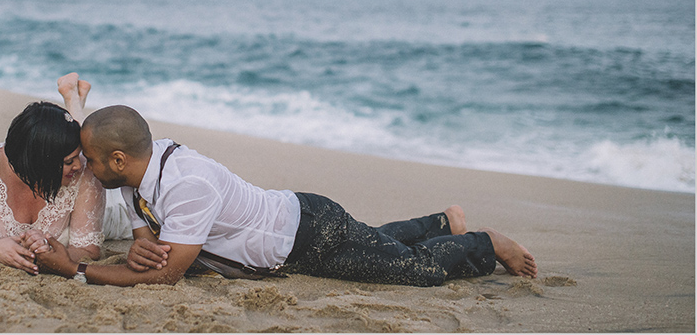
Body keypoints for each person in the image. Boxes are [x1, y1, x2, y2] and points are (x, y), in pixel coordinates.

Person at [27, 105, 537, 287]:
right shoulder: (144, 164)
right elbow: (142, 218)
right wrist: (141, 237)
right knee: (376, 243)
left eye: (91, 162)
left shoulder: (187, 185)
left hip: (311, 236)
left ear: (118, 160)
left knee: (414, 273)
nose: (87, 171)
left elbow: (165, 274)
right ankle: (443, 222)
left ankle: (486, 244)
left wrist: (72, 269)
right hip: (298, 222)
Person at [0, 74, 130, 274]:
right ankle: (73, 98)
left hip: (107, 210)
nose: (79, 166)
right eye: (68, 162)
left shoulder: (84, 171)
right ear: (40, 164)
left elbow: (89, 250)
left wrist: (49, 248)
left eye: (76, 158)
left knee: (88, 157)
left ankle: (73, 99)